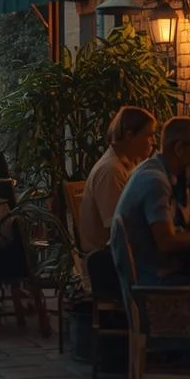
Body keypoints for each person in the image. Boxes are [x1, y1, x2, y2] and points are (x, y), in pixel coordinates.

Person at [109, 116, 190, 286]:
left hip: (170, 275)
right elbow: (167, 242)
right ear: (179, 149)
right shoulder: (154, 180)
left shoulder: (171, 176)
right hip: (157, 286)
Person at [77, 106, 157, 292]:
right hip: (108, 262)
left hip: (119, 254)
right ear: (130, 135)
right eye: (148, 135)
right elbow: (116, 230)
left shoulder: (127, 165)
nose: (153, 142)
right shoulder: (111, 171)